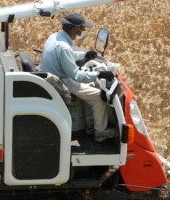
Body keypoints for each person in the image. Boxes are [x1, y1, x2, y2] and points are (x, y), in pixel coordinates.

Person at [40, 12, 116, 143]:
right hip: (61, 82)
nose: (84, 30)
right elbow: (76, 76)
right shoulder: (64, 47)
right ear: (74, 29)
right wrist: (99, 74)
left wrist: (84, 54)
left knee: (90, 87)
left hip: (54, 77)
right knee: (98, 96)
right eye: (83, 27)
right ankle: (100, 133)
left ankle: (90, 127)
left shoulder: (55, 37)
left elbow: (66, 56)